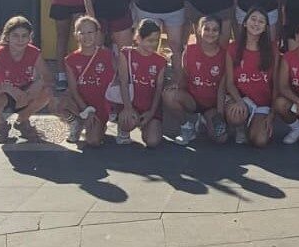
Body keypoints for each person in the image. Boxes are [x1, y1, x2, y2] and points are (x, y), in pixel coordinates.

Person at [0, 16, 53, 143]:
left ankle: (22, 120)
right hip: (2, 94)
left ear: (30, 37)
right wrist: (7, 88)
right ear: (7, 37)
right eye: (15, 36)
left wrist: (39, 83)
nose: (20, 40)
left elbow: (49, 77)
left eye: (24, 36)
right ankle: (0, 124)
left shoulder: (34, 52)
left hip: (24, 93)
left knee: (47, 92)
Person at [163, 15, 228, 145]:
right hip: (193, 100)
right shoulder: (190, 50)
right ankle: (187, 127)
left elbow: (222, 88)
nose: (210, 33)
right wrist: (176, 86)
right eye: (207, 29)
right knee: (169, 95)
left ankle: (205, 120)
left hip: (212, 105)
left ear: (220, 32)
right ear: (199, 30)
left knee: (221, 139)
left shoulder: (225, 55)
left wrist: (220, 115)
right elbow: (184, 76)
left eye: (215, 30)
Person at [51, 16, 114, 146]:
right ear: (76, 35)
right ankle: (75, 123)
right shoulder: (70, 60)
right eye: (82, 33)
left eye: (90, 32)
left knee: (93, 141)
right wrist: (86, 110)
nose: (86, 36)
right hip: (81, 103)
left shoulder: (107, 55)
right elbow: (73, 90)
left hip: (101, 105)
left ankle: (99, 126)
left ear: (97, 33)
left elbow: (116, 82)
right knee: (56, 104)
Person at [225, 8, 276, 147]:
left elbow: (276, 84)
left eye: (261, 21)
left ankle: (252, 126)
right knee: (236, 115)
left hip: (262, 104)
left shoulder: (272, 49)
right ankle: (240, 127)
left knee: (260, 141)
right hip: (241, 99)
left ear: (265, 28)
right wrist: (239, 101)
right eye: (253, 19)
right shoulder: (233, 48)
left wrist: (272, 114)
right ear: (245, 23)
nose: (256, 23)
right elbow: (229, 83)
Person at [115, 19, 167, 148]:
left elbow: (158, 89)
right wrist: (128, 108)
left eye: (156, 40)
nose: (154, 44)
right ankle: (123, 128)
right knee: (128, 121)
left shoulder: (161, 61)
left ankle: (146, 126)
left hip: (149, 107)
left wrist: (151, 112)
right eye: (150, 40)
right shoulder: (126, 54)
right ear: (138, 38)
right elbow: (123, 82)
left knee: (153, 141)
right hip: (130, 104)